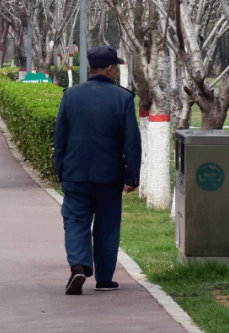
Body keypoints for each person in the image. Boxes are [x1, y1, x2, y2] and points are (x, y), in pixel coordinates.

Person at [53, 45, 141, 295]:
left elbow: (60, 137)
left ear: (90, 67)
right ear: (111, 69)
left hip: (75, 173)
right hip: (109, 175)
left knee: (75, 221)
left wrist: (61, 169)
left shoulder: (70, 95)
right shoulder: (124, 99)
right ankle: (104, 279)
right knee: (107, 226)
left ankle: (78, 266)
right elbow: (132, 142)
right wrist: (132, 176)